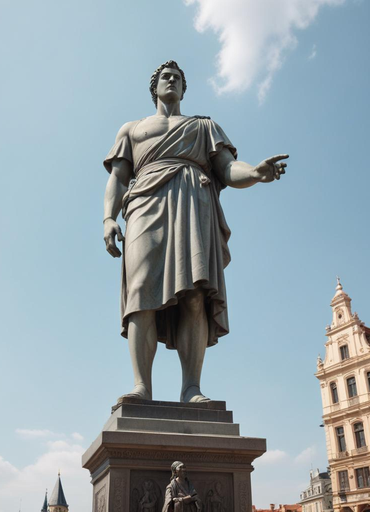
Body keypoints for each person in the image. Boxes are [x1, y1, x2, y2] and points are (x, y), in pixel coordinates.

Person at [103, 60, 288, 403]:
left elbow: (229, 169)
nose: (171, 81)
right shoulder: (131, 129)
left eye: (177, 78)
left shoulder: (204, 126)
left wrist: (257, 174)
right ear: (154, 87)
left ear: (184, 89)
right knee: (140, 292)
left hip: (193, 204)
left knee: (193, 295)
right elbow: (117, 177)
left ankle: (192, 388)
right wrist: (108, 219)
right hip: (145, 203)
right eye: (165, 77)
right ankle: (142, 387)